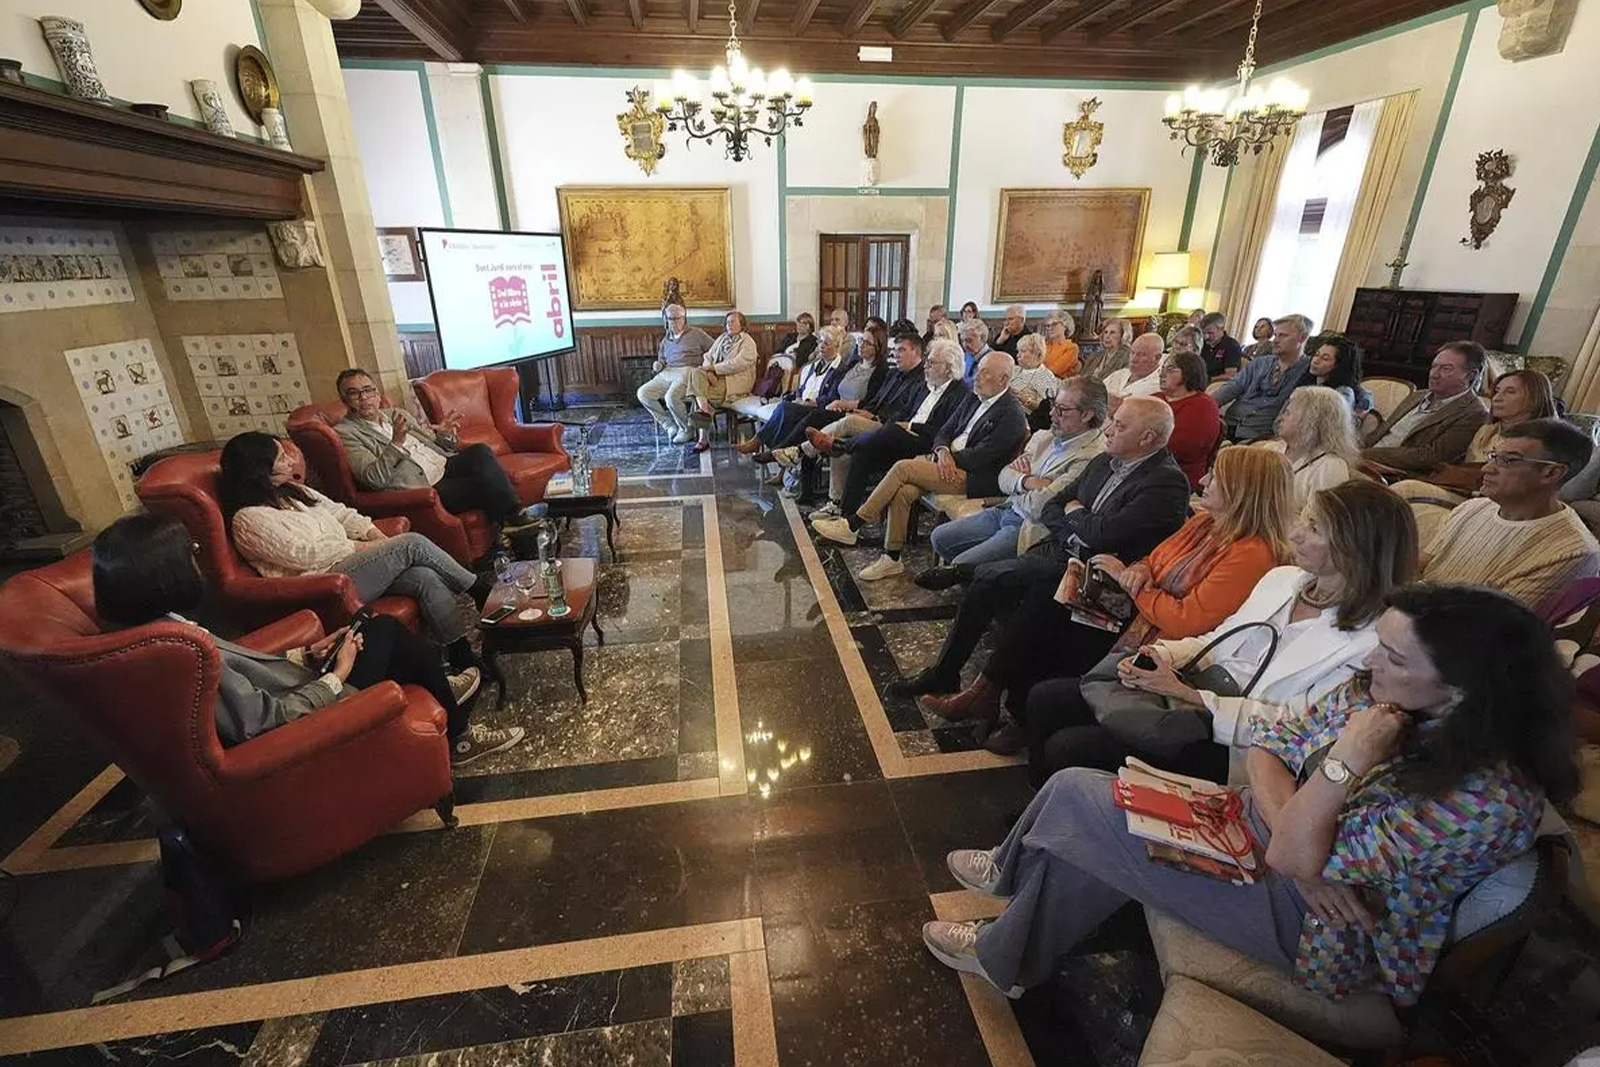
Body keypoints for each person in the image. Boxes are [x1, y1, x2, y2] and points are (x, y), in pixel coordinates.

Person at [924, 584, 1575, 1012]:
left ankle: (1005, 916)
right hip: (1286, 859)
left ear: (1465, 690)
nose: (1372, 665)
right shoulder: (1385, 695)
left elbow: (1295, 849)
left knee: (1077, 797)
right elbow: (1269, 738)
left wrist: (1342, 766)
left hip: (1327, 936)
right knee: (1090, 810)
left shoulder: (1488, 799)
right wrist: (1294, 826)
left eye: (1396, 656)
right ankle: (1008, 924)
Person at [1026, 479, 1418, 782]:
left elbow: (1296, 725)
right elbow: (1216, 641)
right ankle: (1038, 822)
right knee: (1047, 697)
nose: (1296, 533)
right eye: (1304, 519)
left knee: (1071, 747)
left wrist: (1192, 695)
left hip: (1241, 748)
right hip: (1194, 693)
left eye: (1313, 528)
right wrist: (1161, 658)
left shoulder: (1371, 642)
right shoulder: (1284, 580)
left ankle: (1060, 841)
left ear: (1354, 548)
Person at [926, 446, 1293, 757]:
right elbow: (1154, 558)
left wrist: (1134, 584)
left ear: (1243, 490)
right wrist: (1140, 570)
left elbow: (1186, 621)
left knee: (1051, 621)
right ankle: (991, 695)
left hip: (1161, 640)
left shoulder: (1252, 554)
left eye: (1214, 477)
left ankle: (1011, 708)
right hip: (1142, 611)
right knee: (1046, 601)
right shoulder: (1207, 523)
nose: (1203, 481)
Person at [91, 514, 525, 766]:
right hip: (304, 719)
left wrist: (304, 654)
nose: (198, 557)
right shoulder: (179, 651)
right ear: (164, 573)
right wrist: (335, 677)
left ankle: (442, 689)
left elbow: (247, 671)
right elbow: (265, 721)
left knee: (369, 624)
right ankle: (459, 736)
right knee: (384, 630)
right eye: (189, 551)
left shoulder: (157, 627)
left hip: (297, 683)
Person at [889, 397, 1192, 697]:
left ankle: (964, 594)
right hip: (1062, 549)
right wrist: (1074, 528)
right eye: (1112, 420)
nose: (1109, 429)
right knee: (986, 584)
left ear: (1147, 437)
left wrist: (1075, 513)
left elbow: (1103, 535)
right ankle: (948, 674)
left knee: (995, 579)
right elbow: (1053, 506)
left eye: (1119, 425)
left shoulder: (1166, 482)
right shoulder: (1105, 461)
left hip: (1100, 577)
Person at [221, 433, 491, 667]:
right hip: (321, 583)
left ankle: (461, 653)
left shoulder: (293, 492)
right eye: (281, 459)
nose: (291, 462)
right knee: (412, 543)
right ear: (258, 469)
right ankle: (478, 587)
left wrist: (374, 536)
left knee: (423, 576)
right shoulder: (249, 519)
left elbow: (342, 513)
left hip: (351, 565)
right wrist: (361, 546)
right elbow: (304, 554)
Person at [812, 351, 1028, 581]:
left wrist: (943, 458)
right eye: (978, 370)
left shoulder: (1011, 414)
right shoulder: (975, 396)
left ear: (1003, 379)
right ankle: (892, 557)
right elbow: (945, 430)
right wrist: (942, 450)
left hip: (974, 477)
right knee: (904, 491)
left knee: (904, 468)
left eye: (984, 372)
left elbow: (981, 457)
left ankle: (854, 524)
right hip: (948, 461)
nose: (976, 376)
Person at [920, 377, 1109, 577]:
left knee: (961, 564)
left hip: (1028, 527)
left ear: (1087, 415)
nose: (1052, 413)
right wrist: (1026, 481)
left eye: (1062, 410)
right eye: (1054, 405)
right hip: (1007, 508)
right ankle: (985, 579)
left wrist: (1020, 482)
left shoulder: (1090, 456)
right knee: (940, 537)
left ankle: (985, 587)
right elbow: (1003, 476)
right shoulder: (1046, 436)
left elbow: (1042, 507)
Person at [332, 369, 533, 546]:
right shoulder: (346, 432)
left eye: (368, 390)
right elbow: (373, 479)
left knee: (480, 451)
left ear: (377, 394)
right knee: (488, 484)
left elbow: (437, 444)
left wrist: (444, 434)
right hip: (426, 484)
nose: (364, 397)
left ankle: (511, 519)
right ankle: (518, 526)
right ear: (344, 400)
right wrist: (396, 444)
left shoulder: (396, 414)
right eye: (354, 393)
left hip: (445, 463)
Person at [1421, 417, 1600, 607]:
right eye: (1492, 456)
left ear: (1551, 473)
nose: (1486, 468)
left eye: (1506, 460)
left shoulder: (1571, 553)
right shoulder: (1473, 507)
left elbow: (1493, 624)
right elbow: (1421, 565)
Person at [805, 337, 969, 517]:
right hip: (901, 437)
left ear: (948, 367)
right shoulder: (927, 386)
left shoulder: (960, 394)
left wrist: (907, 425)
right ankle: (845, 516)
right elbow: (905, 411)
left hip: (925, 443)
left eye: (931, 363)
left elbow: (942, 430)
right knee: (862, 454)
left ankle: (840, 445)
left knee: (891, 430)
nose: (925, 366)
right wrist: (892, 421)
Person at [1390, 368, 1556, 541]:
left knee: (1404, 489)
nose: (1498, 398)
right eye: (1497, 391)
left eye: (1510, 392)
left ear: (1534, 399)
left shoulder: (1540, 440)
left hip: (1496, 503)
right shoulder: (1487, 430)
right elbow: (1466, 466)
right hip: (1463, 489)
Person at [1361, 341, 1489, 474]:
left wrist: (1366, 455)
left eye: (1446, 369)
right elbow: (1382, 432)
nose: (1434, 374)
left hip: (1399, 472)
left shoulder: (1474, 413)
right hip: (1366, 459)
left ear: (1470, 375)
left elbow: (1431, 456)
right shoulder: (1417, 396)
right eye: (1434, 367)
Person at [734, 323, 857, 459]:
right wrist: (797, 398)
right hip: (802, 404)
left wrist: (811, 402)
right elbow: (802, 389)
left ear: (837, 346)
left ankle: (764, 445)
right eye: (820, 341)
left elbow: (832, 398)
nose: (821, 346)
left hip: (819, 410)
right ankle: (776, 458)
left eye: (826, 343)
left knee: (786, 409)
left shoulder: (840, 370)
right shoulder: (814, 365)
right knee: (786, 409)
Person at [1256, 386, 1362, 513]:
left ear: (1309, 422)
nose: (1281, 418)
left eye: (1288, 413)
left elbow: (1317, 522)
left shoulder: (1330, 467)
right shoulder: (1272, 449)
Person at [1213, 314, 1314, 442]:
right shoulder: (1259, 363)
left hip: (1262, 436)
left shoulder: (1309, 372)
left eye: (1283, 335)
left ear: (1302, 338)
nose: (1275, 340)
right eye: (1276, 335)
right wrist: (1206, 406)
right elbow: (1233, 387)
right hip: (1230, 424)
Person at [637, 303, 715, 443]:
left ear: (684, 318)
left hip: (688, 371)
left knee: (671, 397)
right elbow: (662, 360)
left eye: (676, 318)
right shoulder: (666, 340)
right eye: (670, 319)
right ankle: (669, 426)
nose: (673, 322)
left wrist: (706, 365)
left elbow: (715, 350)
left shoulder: (697, 333)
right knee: (643, 393)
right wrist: (658, 364)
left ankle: (686, 429)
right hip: (667, 372)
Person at [1155, 350, 1222, 490]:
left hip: (1177, 476)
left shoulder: (1203, 405)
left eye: (1170, 369)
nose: (1162, 374)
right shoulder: (1156, 398)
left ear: (1189, 372)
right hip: (1141, 465)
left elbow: (1179, 446)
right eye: (1162, 369)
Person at [1295, 333, 1372, 418]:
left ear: (1339, 365)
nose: (1316, 361)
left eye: (1325, 358)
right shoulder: (1306, 381)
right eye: (1316, 354)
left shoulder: (1343, 393)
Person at [1009, 333, 1061, 429]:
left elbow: (1046, 410)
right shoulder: (1015, 370)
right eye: (1018, 351)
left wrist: (1023, 399)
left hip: (1026, 421)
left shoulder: (1044, 376)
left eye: (1023, 351)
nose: (1018, 355)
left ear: (1037, 353)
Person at [1102, 332, 1164, 410]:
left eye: (1141, 355)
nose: (1133, 359)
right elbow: (1094, 394)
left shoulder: (1158, 385)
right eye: (1132, 353)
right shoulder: (1119, 374)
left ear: (1157, 358)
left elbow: (1129, 410)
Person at [1080, 318, 1132, 382]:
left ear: (1123, 335)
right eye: (1105, 332)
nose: (1107, 336)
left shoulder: (1129, 356)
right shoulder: (1095, 356)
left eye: (1112, 332)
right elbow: (1080, 378)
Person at [1199, 311, 1246, 380]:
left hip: (1216, 385)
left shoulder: (1231, 346)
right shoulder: (1202, 342)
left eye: (1210, 333)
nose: (1206, 337)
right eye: (1203, 333)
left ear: (1221, 329)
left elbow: (1230, 375)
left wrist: (1209, 379)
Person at [1041, 312, 1080, 379]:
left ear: (1065, 326)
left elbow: (1055, 370)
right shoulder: (1043, 344)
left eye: (1054, 324)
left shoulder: (1071, 347)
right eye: (1047, 326)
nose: (1050, 328)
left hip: (1061, 385)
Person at [956, 319, 991, 385]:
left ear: (982, 339)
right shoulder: (965, 356)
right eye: (963, 341)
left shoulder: (992, 359)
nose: (965, 345)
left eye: (969, 340)